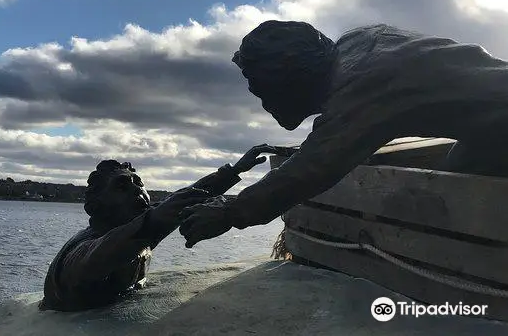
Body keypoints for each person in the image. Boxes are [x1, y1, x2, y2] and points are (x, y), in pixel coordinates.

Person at [179, 19, 508, 248]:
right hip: (491, 130)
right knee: (458, 180)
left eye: (264, 92)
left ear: (290, 81)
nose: (265, 103)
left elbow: (315, 167)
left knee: (458, 211)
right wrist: (325, 143)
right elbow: (338, 139)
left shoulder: (364, 88)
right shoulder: (360, 42)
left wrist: (229, 212)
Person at [39, 144, 280, 311]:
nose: (137, 190)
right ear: (96, 205)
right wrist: (155, 220)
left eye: (139, 183)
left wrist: (234, 170)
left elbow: (184, 199)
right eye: (122, 186)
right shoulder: (85, 249)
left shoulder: (141, 228)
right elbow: (98, 256)